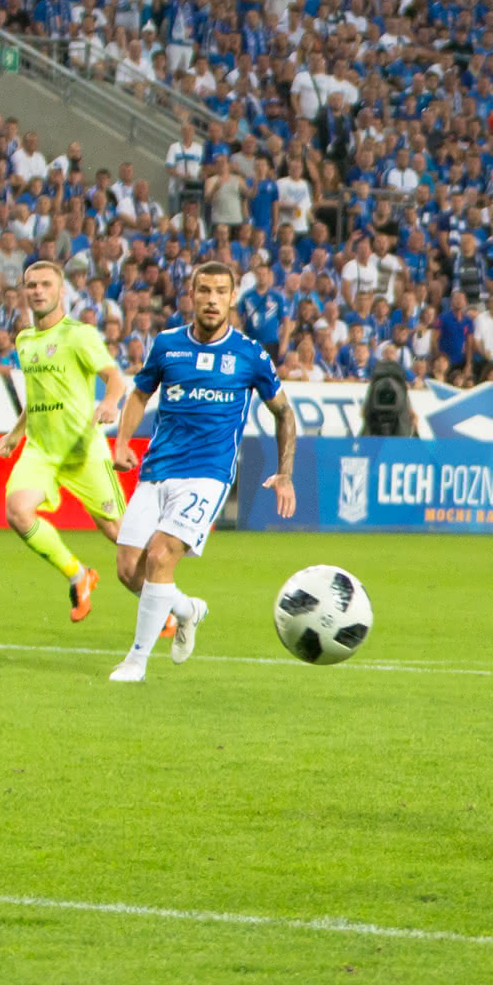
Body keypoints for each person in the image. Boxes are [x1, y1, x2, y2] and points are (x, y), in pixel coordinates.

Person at [106, 263, 297, 682]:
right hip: (157, 470)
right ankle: (187, 608)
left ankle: (135, 661)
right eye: (204, 290)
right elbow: (139, 394)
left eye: (221, 292)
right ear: (190, 295)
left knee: (160, 556)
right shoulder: (168, 345)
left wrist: (284, 473)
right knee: (127, 570)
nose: (212, 299)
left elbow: (284, 413)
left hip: (207, 475)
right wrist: (121, 443)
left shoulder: (249, 354)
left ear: (233, 298)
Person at [0, 262, 129, 622]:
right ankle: (79, 575)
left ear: (61, 290)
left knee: (121, 535)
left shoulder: (79, 335)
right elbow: (37, 397)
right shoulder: (24, 340)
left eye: (45, 284)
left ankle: (169, 604)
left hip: (83, 450)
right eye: (31, 285)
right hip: (41, 451)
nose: (37, 290)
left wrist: (110, 401)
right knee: (17, 510)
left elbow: (115, 377)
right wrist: (16, 432)